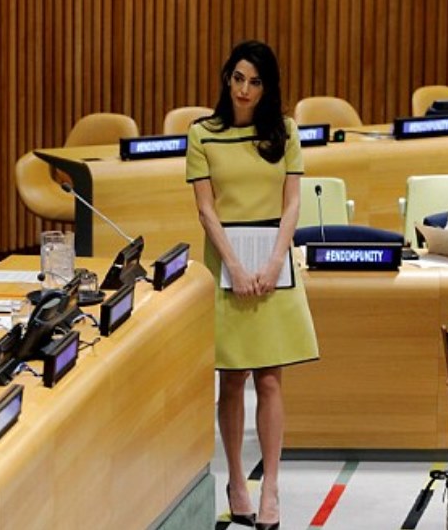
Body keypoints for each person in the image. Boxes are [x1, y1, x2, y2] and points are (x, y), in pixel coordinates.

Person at [186, 40, 318, 530]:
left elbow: (292, 203)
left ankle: (272, 488)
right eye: (238, 78)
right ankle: (238, 482)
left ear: (268, 87)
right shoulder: (202, 133)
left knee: (269, 378)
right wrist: (237, 268)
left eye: (255, 82)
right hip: (228, 262)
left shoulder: (285, 131)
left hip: (274, 262)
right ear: (227, 78)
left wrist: (275, 260)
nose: (244, 89)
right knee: (233, 377)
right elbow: (206, 211)